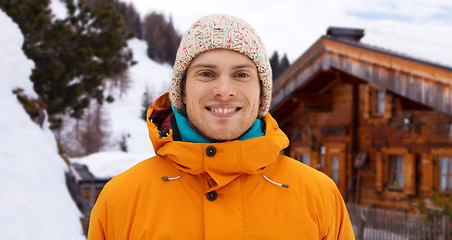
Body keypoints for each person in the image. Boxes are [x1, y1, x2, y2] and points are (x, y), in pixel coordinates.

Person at [87, 14, 355, 239]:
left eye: (241, 74)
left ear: (262, 93)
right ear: (181, 90)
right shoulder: (121, 200)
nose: (224, 91)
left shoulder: (319, 196)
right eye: (206, 74)